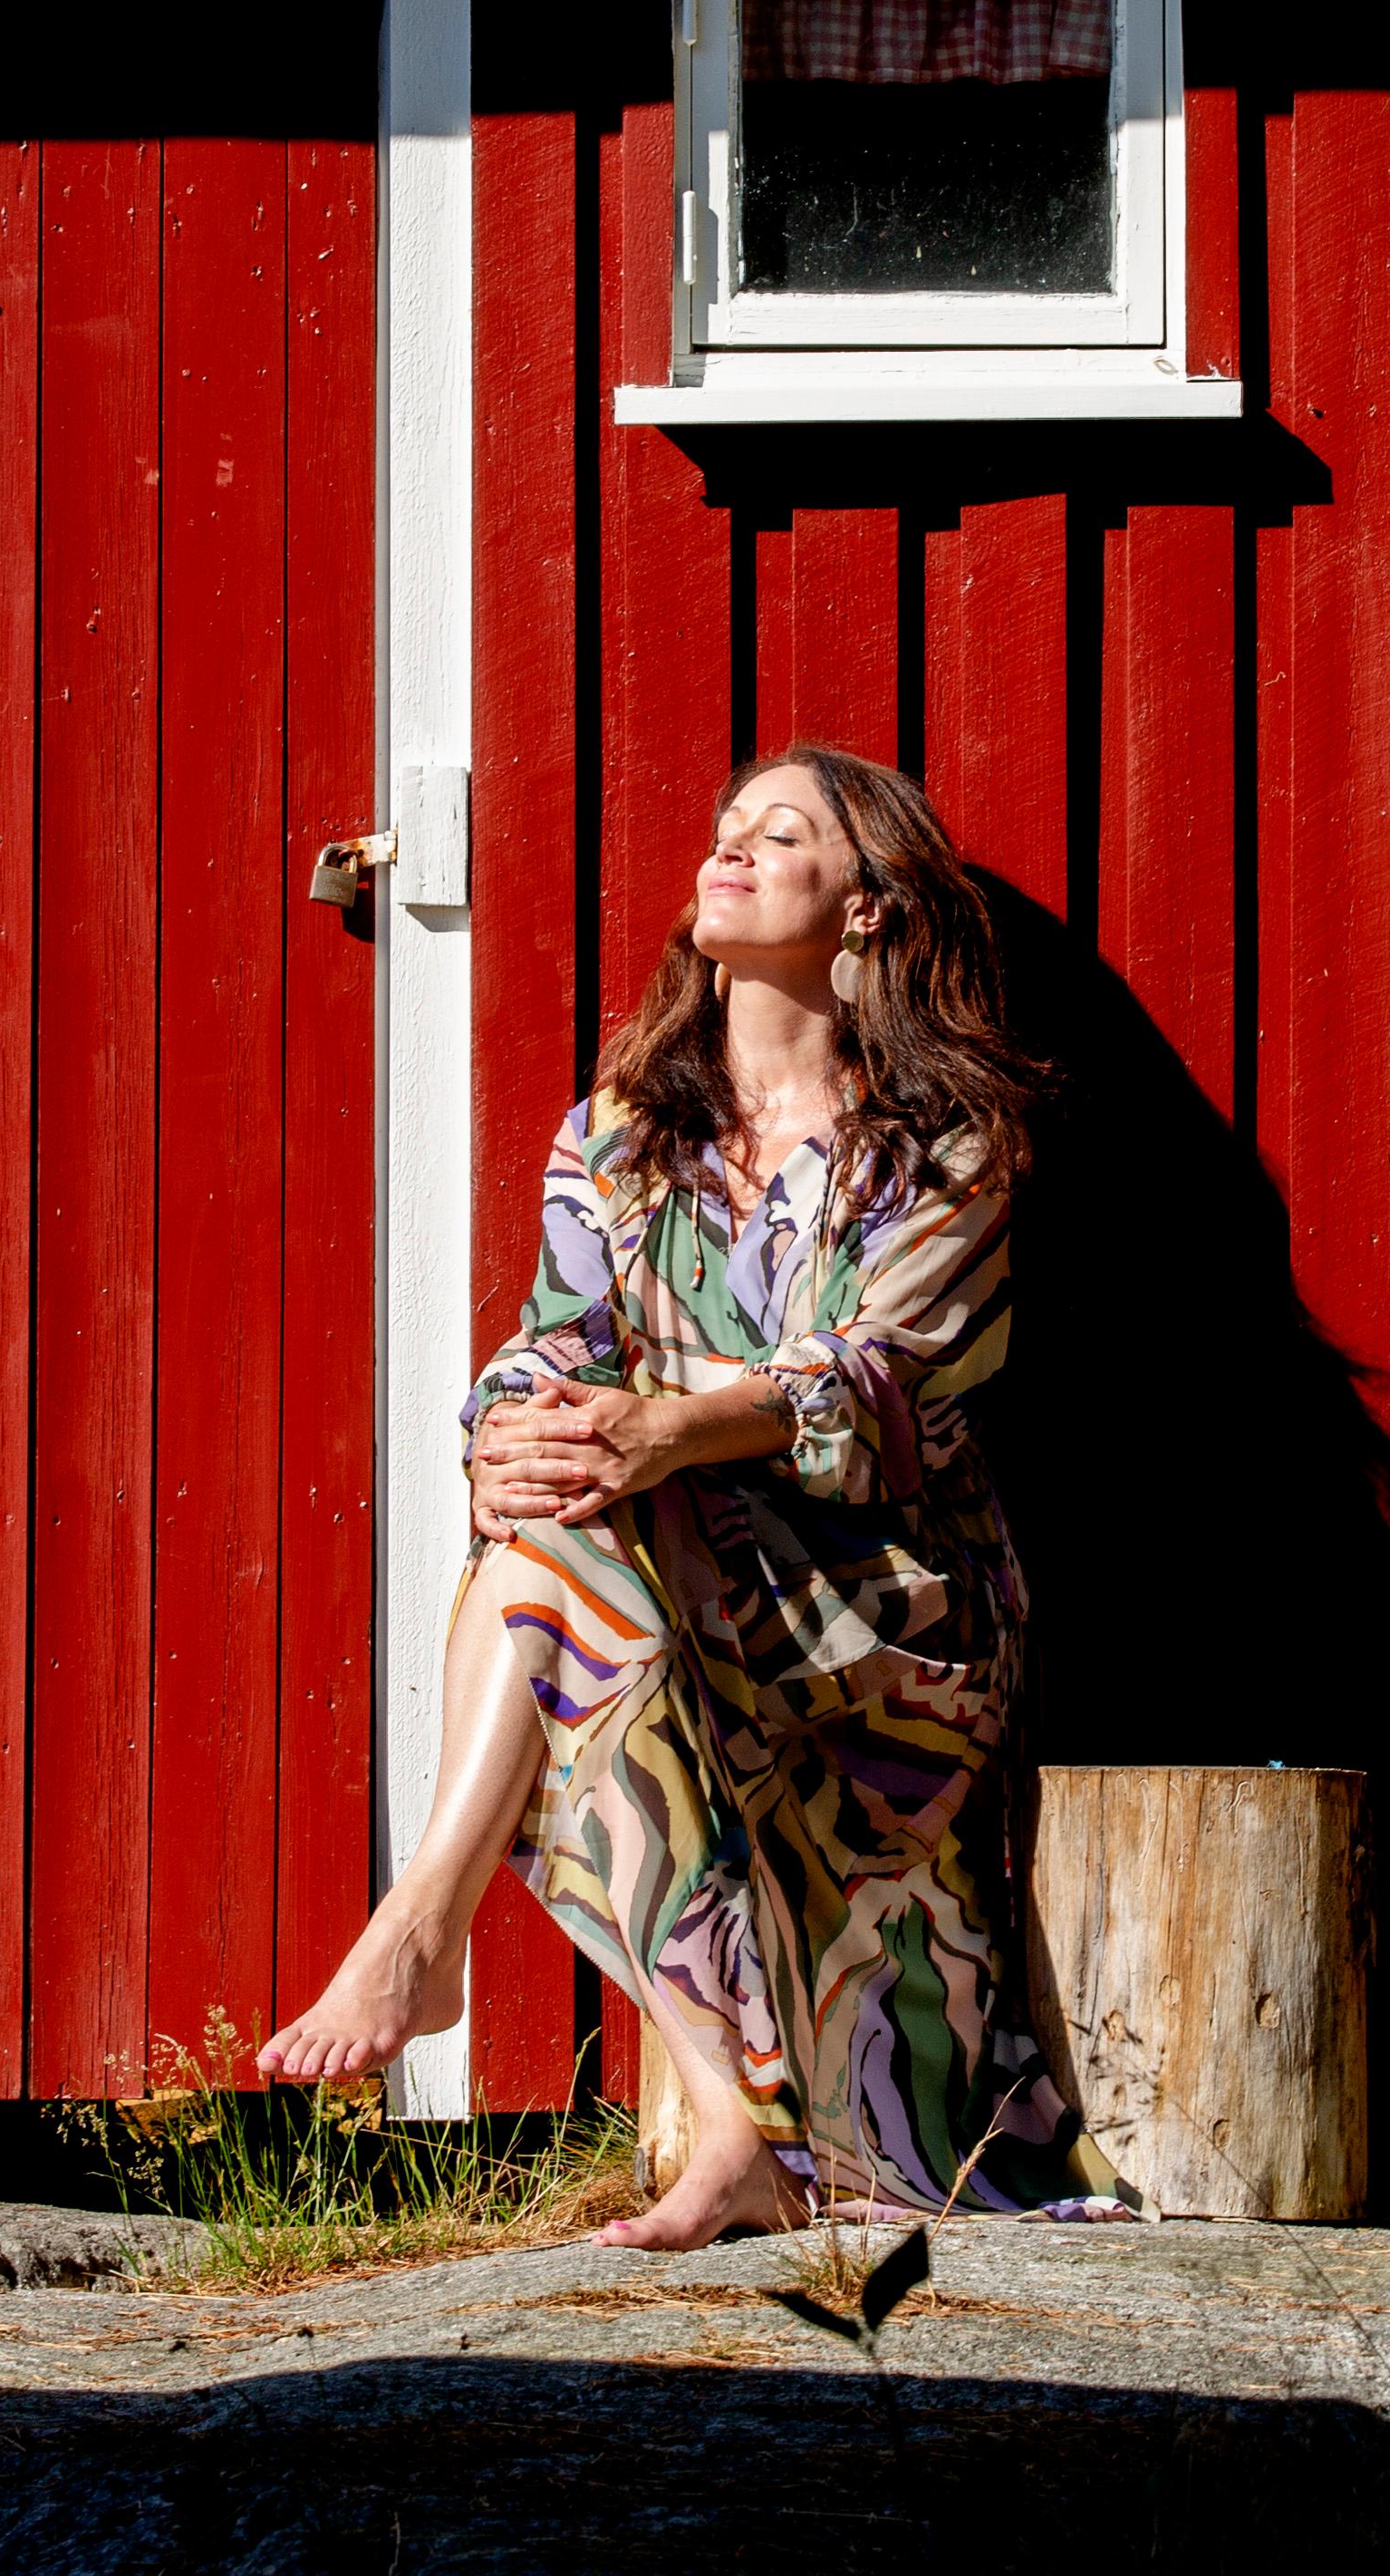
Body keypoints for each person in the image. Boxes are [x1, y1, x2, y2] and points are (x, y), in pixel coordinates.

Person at [256, 743, 1110, 2245]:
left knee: (570, 1547)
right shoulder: (620, 1138)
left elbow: (878, 1384)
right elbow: (554, 1339)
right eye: (723, 831)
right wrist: (504, 1430)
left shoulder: (948, 1147)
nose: (730, 852)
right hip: (669, 1575)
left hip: (891, 1622)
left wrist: (667, 1427)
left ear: (864, 910)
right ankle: (687, 2101)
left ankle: (431, 1930)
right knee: (544, 1545)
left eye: (782, 837)